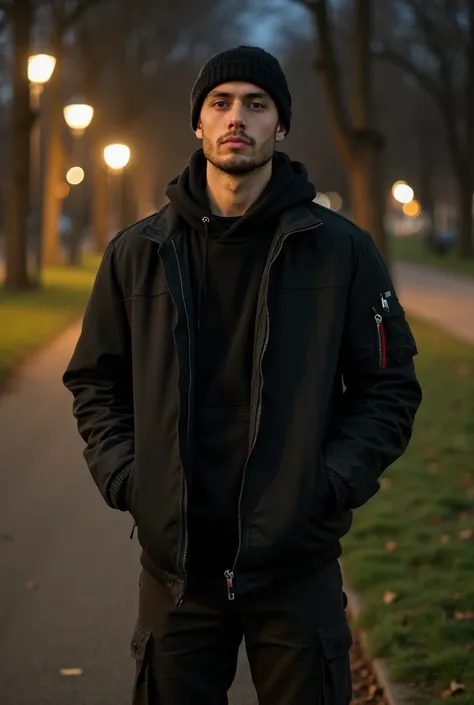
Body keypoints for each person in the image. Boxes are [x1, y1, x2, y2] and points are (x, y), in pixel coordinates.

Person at [63, 46, 422, 705]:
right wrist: (128, 477)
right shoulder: (137, 252)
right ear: (197, 124)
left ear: (280, 125)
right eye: (220, 103)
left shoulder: (343, 250)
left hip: (297, 564)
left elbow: (389, 387)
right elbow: (95, 382)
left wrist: (330, 482)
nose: (237, 117)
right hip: (178, 572)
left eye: (257, 104)